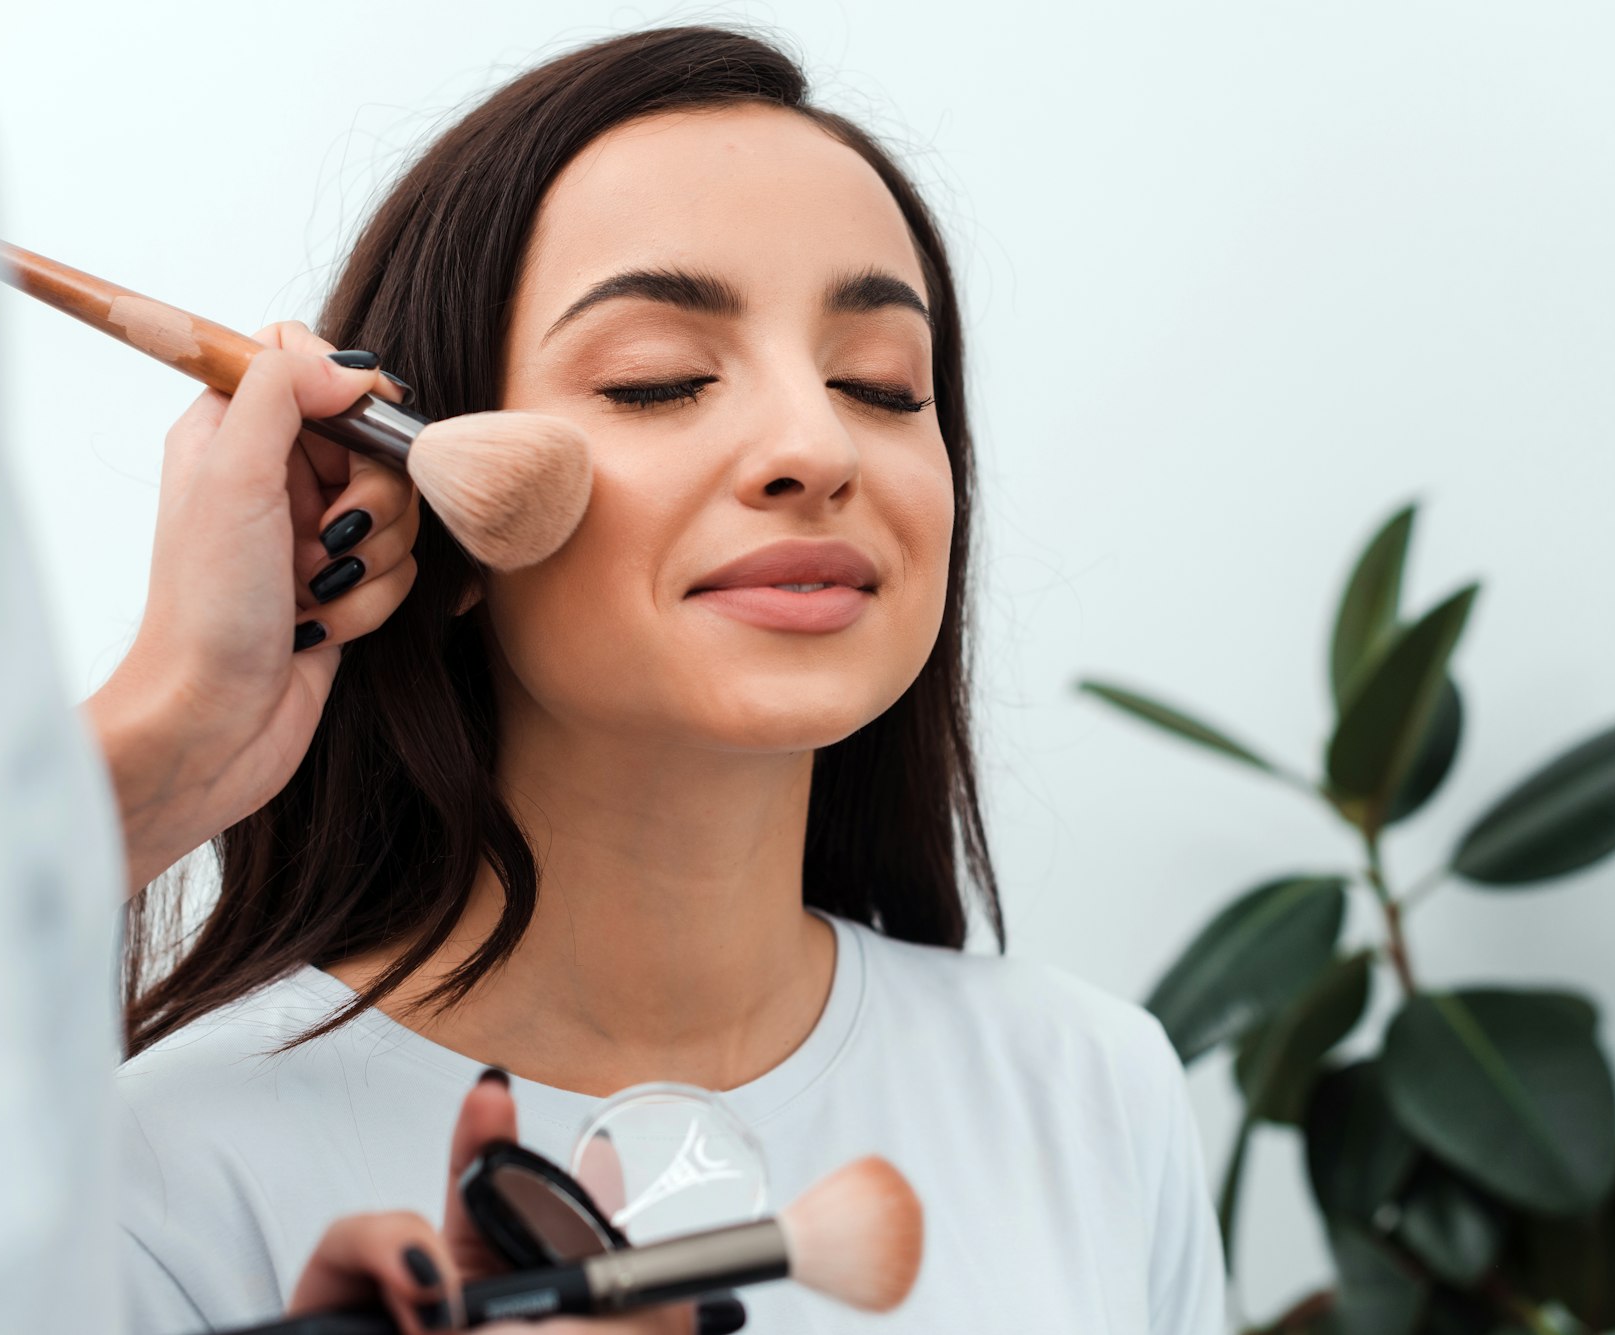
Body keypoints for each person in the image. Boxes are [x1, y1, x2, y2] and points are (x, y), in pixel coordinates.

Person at [85, 25, 1228, 1335]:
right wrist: (173, 725)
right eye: (657, 382)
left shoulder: (1088, 1089)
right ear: (429, 512)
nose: (813, 442)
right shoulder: (163, 1175)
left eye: (882, 385)